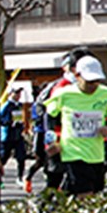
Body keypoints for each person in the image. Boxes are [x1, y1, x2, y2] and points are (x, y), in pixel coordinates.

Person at [43, 55, 107, 196]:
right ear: (77, 75)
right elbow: (49, 115)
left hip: (96, 153)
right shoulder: (64, 94)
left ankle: (56, 208)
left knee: (95, 192)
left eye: (96, 81)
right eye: (89, 81)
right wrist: (51, 140)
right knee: (85, 194)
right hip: (72, 152)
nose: (93, 85)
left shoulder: (106, 94)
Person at [32, 47, 92, 192]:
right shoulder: (62, 87)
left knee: (73, 181)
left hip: (77, 142)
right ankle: (43, 209)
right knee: (57, 180)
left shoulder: (82, 87)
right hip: (61, 141)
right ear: (73, 68)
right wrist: (52, 141)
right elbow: (50, 115)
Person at [0, 86, 26, 187]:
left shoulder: (19, 105)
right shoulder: (6, 105)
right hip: (7, 136)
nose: (18, 95)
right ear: (11, 94)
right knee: (3, 158)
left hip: (18, 135)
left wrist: (22, 125)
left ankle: (20, 177)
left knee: (21, 157)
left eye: (19, 93)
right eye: (16, 93)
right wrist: (9, 122)